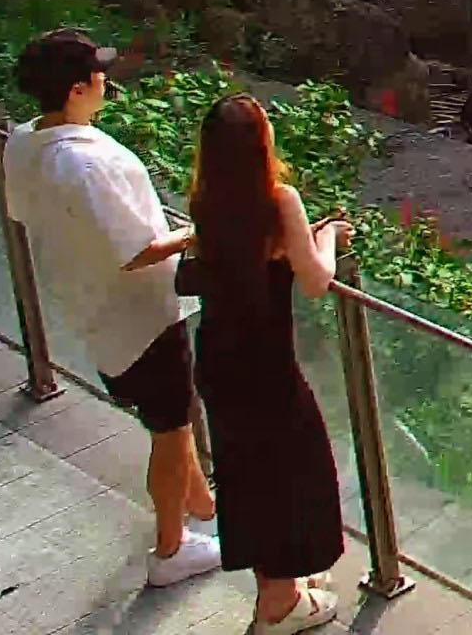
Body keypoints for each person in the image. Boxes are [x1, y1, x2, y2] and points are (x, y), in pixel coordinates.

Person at [127, 93, 350, 635]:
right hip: (266, 363)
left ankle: (284, 587)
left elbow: (229, 252)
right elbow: (316, 280)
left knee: (247, 471)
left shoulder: (207, 199)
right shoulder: (279, 200)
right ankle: (277, 605)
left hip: (218, 359)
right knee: (293, 470)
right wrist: (327, 238)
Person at [4, 29, 221, 585]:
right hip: (140, 317)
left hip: (91, 303)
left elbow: (25, 214)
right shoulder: (84, 164)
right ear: (79, 89)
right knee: (170, 431)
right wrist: (196, 235)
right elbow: (137, 252)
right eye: (99, 74)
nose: (107, 81)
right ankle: (171, 552)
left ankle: (202, 505)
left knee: (168, 418)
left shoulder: (25, 141)